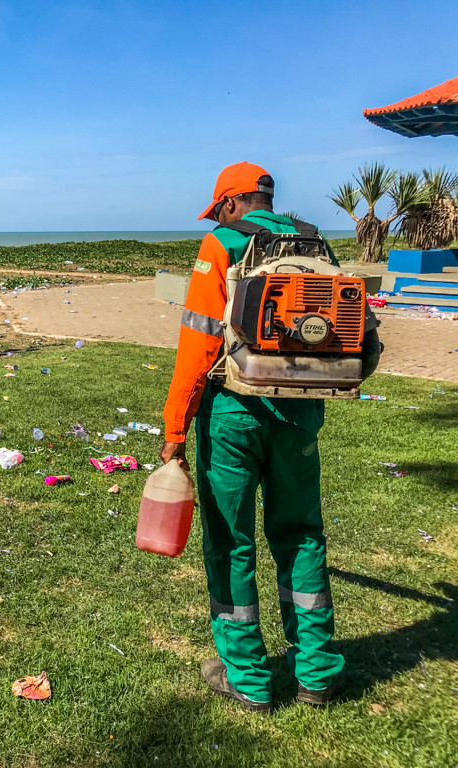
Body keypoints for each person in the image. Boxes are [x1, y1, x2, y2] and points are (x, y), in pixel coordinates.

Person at [159, 162, 344, 713]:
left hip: (234, 413)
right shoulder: (314, 242)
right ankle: (316, 672)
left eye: (218, 208)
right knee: (301, 534)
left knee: (231, 541)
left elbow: (197, 345)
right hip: (301, 414)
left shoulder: (220, 246)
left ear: (233, 203)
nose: (216, 217)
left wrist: (174, 430)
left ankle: (248, 676)